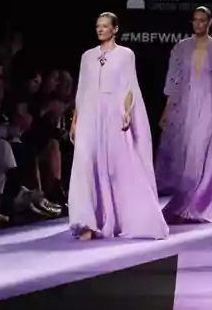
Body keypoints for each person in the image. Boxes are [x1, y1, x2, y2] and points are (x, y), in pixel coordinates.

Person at [68, 13, 167, 241]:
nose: (100, 30)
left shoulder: (125, 55)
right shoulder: (87, 57)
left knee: (116, 166)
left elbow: (130, 87)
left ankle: (119, 218)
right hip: (90, 115)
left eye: (105, 26)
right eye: (97, 26)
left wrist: (126, 112)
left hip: (113, 113)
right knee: (85, 165)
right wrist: (75, 121)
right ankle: (87, 222)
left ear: (115, 29)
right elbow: (81, 91)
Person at [156, 6, 212, 225]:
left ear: (210, 22)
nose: (198, 24)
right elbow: (172, 80)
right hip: (187, 105)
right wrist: (167, 110)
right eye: (195, 20)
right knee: (190, 153)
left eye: (202, 20)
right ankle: (187, 202)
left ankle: (200, 203)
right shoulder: (181, 48)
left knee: (207, 152)